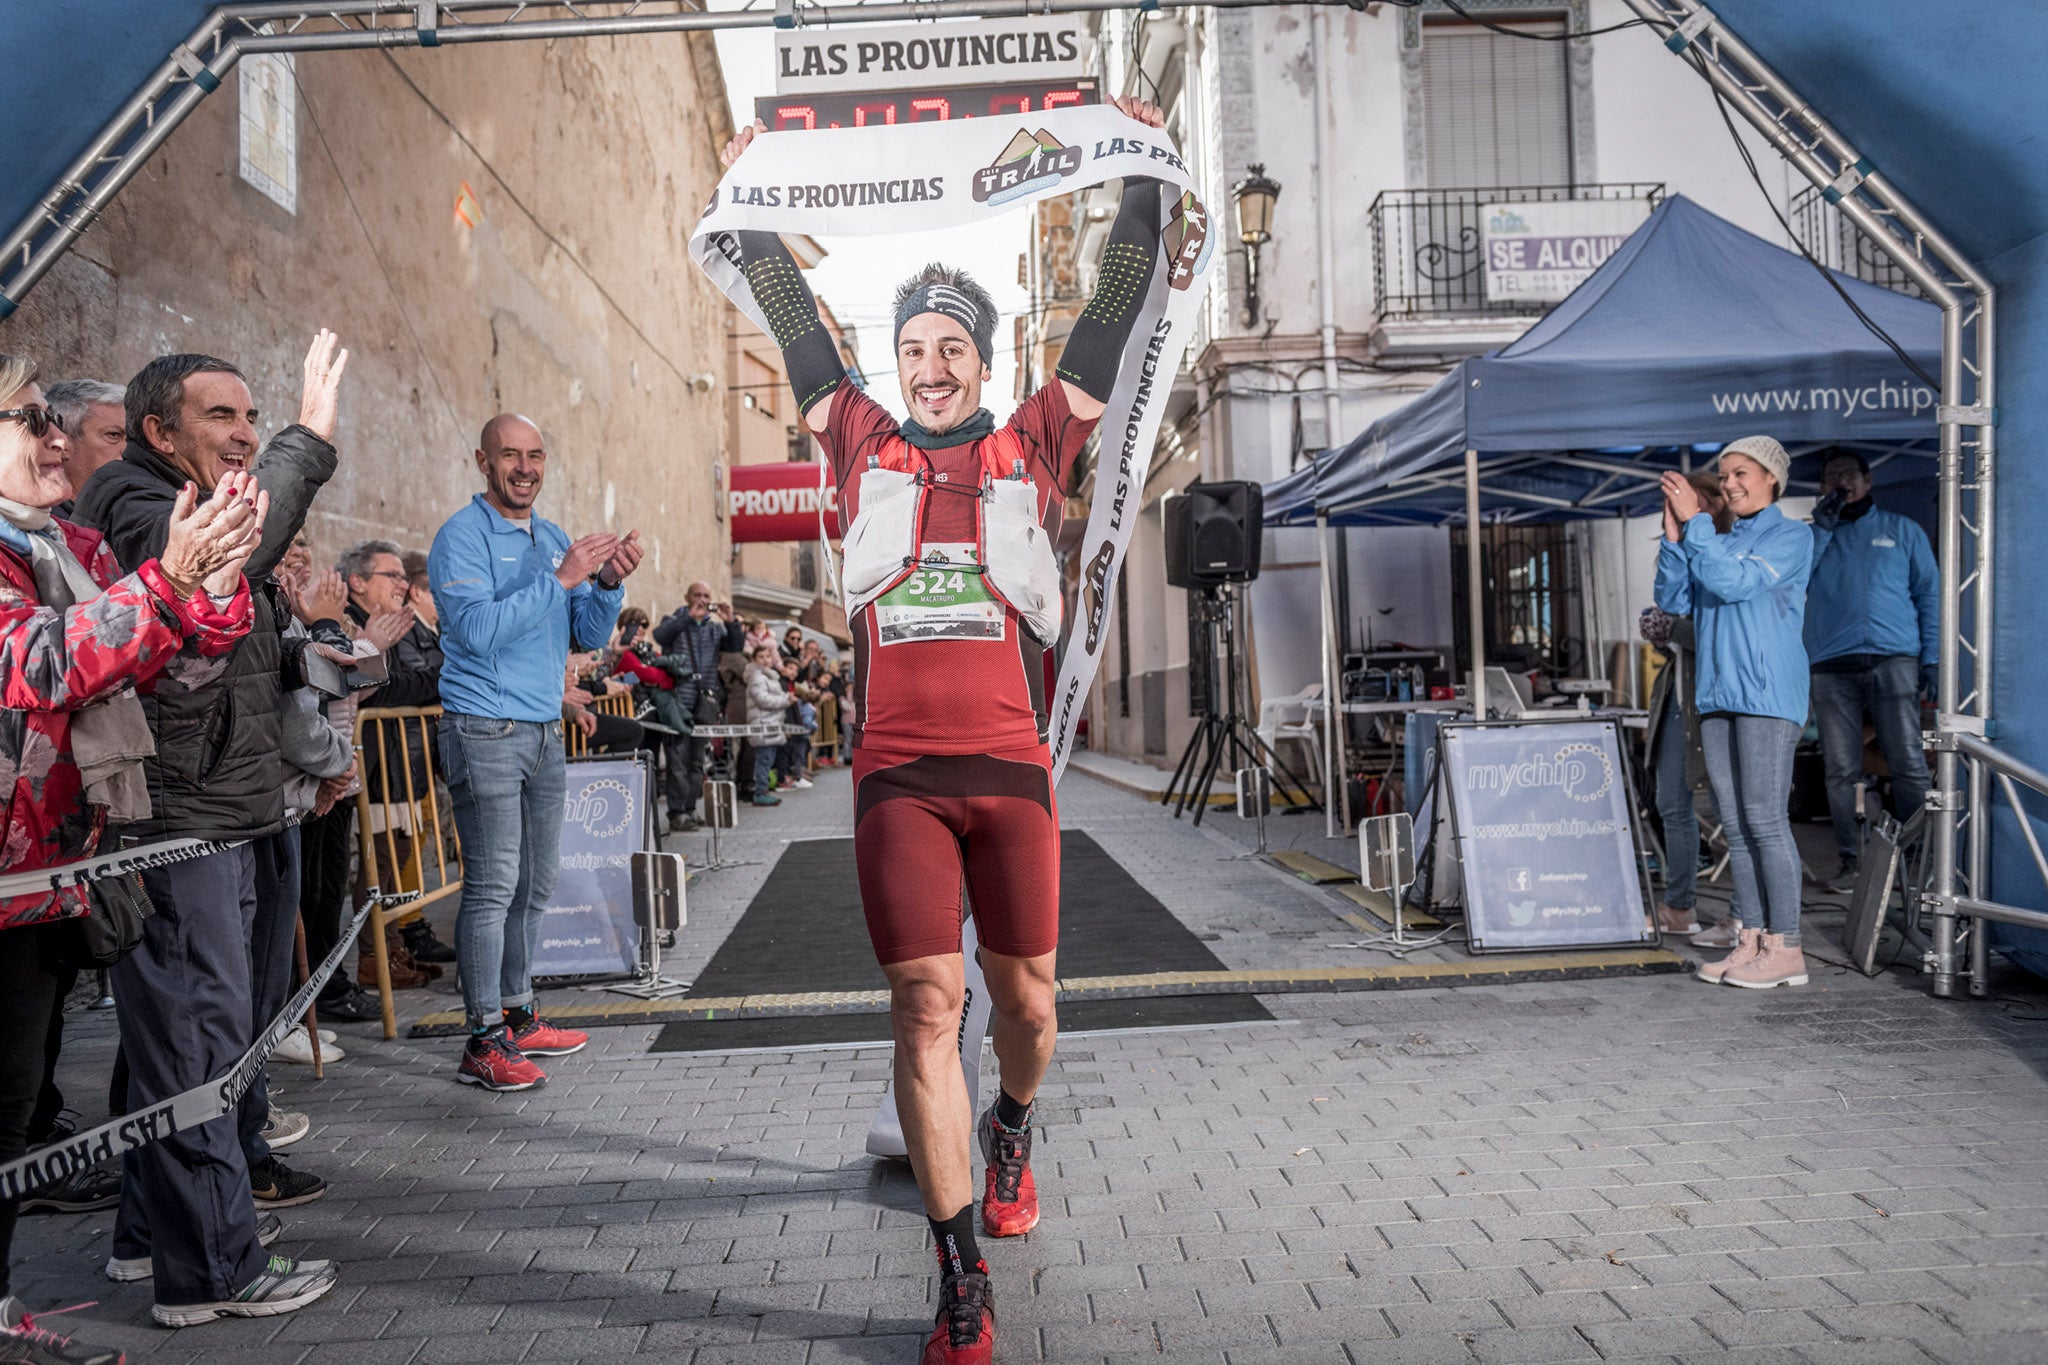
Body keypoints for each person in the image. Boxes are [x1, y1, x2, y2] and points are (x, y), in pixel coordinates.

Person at [719, 93, 1165, 1365]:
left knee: (1024, 1007)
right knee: (925, 1007)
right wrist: (749, 200)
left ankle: (1013, 1120)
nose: (929, 365)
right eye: (912, 346)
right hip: (897, 778)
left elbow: (1113, 307)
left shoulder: (1036, 440)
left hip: (1010, 772)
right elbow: (786, 311)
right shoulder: (853, 436)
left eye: (951, 348)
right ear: (895, 357)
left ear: (982, 356)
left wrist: (1136, 177)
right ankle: (956, 1274)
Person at [73, 333, 350, 1324]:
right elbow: (230, 545)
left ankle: (154, 1238)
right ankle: (215, 1273)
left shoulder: (172, 498)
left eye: (250, 414)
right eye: (219, 416)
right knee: (197, 1046)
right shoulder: (139, 506)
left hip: (232, 806)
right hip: (176, 821)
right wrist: (305, 438)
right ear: (158, 433)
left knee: (189, 1042)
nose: (243, 435)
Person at [0, 351, 264, 1363]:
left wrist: (215, 587)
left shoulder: (66, 544)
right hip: (20, 867)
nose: (56, 436)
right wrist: (170, 580)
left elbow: (166, 658)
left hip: (54, 871)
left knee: (16, 1109)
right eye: (29, 422)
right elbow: (43, 661)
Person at [429, 412, 640, 1091]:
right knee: (492, 886)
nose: (525, 467)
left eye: (536, 455)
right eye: (511, 455)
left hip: (543, 727)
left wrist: (606, 584)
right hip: (483, 727)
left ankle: (518, 1015)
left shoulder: (550, 537)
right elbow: (477, 629)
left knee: (535, 881)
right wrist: (562, 576)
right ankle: (481, 1039)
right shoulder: (461, 537)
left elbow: (584, 631)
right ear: (483, 461)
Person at [1655, 435, 1814, 991]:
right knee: (1739, 828)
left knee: (1766, 821)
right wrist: (1676, 540)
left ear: (1772, 478)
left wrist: (1697, 526)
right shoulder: (1715, 538)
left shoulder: (1793, 535)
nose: (1730, 485)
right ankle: (1751, 941)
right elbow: (1673, 601)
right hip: (1719, 694)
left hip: (1768, 694)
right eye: (1724, 476)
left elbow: (1735, 582)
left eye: (1742, 473)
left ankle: (1787, 947)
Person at [1805, 450, 1938, 893]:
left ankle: (1918, 859)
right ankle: (1850, 862)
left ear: (1867, 479)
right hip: (1830, 664)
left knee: (1909, 764)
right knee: (1840, 769)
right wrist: (1822, 530)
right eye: (1830, 476)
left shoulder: (1903, 531)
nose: (1840, 481)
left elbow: (1930, 596)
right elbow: (1794, 582)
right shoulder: (1811, 537)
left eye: (1847, 473)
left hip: (1893, 658)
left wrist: (1932, 656)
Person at [1641, 474, 1734, 944]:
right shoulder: (1678, 550)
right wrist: (1661, 624)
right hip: (1677, 693)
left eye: (1680, 503)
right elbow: (1671, 606)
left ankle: (1745, 915)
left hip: (1718, 697)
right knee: (1670, 803)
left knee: (1733, 808)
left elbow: (1721, 633)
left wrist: (1671, 629)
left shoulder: (1730, 553)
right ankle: (1680, 906)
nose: (1671, 509)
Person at [651, 583, 744, 831]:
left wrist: (731, 621)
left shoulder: (714, 629)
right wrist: (688, 617)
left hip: (706, 699)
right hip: (679, 698)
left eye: (706, 596)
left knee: (696, 760)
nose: (702, 600)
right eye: (697, 596)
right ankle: (677, 812)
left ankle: (690, 809)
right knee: (677, 757)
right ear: (687, 598)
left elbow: (736, 647)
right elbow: (660, 636)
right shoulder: (675, 620)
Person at [43, 378, 128, 515]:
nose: (129, 450)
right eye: (113, 435)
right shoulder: (44, 525)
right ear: (62, 442)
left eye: (132, 438)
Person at [742, 642, 789, 806]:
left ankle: (763, 791)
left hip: (771, 725)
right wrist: (785, 700)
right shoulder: (757, 676)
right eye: (761, 657)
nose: (765, 660)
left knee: (767, 761)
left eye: (768, 656)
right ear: (754, 659)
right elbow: (762, 699)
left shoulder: (769, 675)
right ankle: (760, 792)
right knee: (763, 760)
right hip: (763, 724)